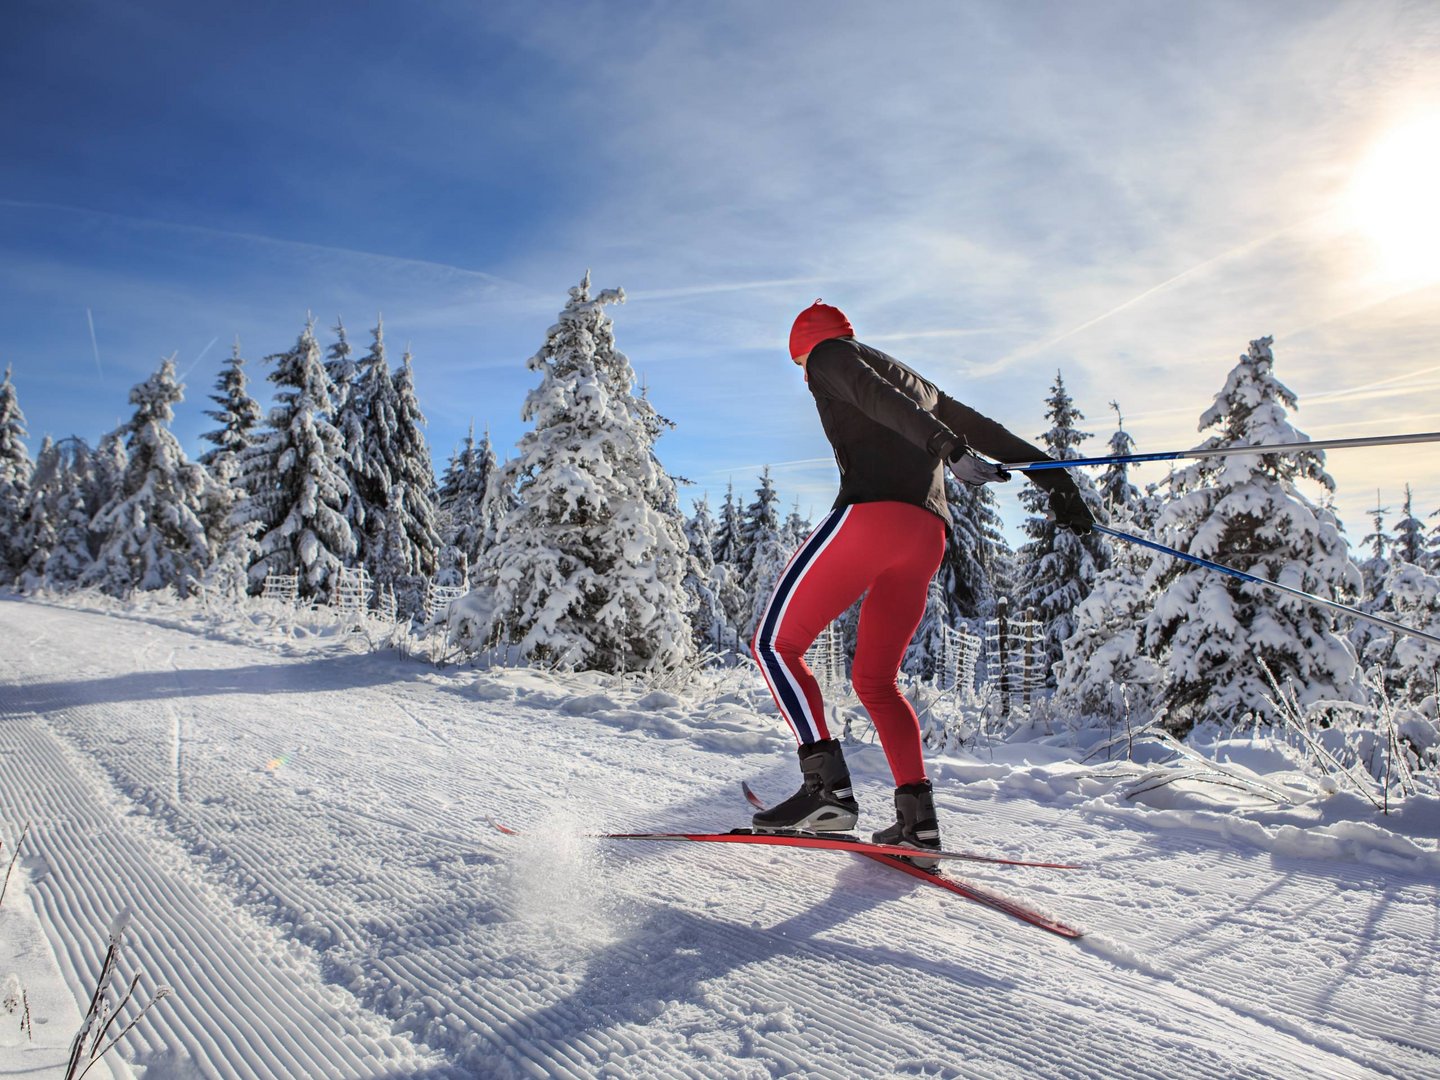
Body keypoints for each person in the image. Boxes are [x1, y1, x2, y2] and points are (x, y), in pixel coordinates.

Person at [750, 300, 1094, 866]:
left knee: (775, 645)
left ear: (803, 350)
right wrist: (1053, 478)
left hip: (872, 519)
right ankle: (918, 823)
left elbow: (872, 398)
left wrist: (949, 449)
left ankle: (825, 793)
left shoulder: (829, 357)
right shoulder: (915, 381)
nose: (807, 378)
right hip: (926, 536)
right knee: (876, 681)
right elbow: (985, 429)